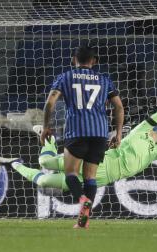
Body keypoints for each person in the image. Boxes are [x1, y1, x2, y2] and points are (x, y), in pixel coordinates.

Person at [0, 87, 157, 226]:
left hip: (101, 177)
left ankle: (15, 163)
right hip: (93, 162)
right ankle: (48, 138)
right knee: (45, 162)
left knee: (43, 181)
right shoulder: (141, 129)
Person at [40, 45, 124, 228]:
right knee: (90, 178)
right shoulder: (104, 79)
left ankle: (82, 198)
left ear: (73, 59)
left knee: (70, 173)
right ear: (94, 61)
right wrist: (118, 133)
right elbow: (118, 106)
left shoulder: (65, 77)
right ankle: (83, 221)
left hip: (77, 131)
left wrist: (46, 127)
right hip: (100, 133)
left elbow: (50, 102)